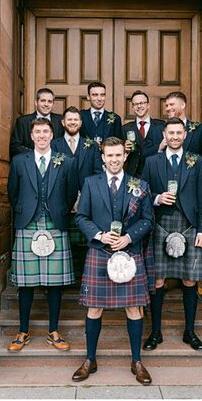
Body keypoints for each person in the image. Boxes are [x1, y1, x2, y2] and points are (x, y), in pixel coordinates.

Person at [73, 137, 154, 385]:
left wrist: (129, 238)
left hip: (129, 252)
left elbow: (148, 220)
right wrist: (100, 235)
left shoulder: (139, 185)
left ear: (125, 156)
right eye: (110, 155)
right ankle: (90, 359)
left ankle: (137, 361)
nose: (114, 159)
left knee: (133, 307)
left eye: (118, 155)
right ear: (103, 157)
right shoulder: (90, 183)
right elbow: (81, 216)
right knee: (94, 308)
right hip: (100, 251)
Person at [6, 117, 78, 352]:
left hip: (55, 223)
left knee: (54, 283)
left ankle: (53, 331)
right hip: (27, 223)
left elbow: (70, 194)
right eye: (37, 132)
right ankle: (23, 331)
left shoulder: (66, 161)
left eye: (46, 131)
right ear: (31, 136)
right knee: (25, 284)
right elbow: (13, 193)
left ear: (52, 135)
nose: (41, 136)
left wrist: (59, 211)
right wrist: (26, 211)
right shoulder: (19, 161)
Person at [142, 118, 202, 352]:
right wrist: (156, 198)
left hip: (190, 225)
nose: (174, 136)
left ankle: (190, 332)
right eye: (170, 132)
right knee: (158, 280)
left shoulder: (197, 162)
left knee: (190, 279)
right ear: (164, 134)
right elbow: (142, 193)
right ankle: (155, 332)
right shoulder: (152, 162)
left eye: (178, 133)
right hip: (160, 224)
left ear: (184, 135)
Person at [162, 90, 202, 299]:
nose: (168, 108)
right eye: (166, 106)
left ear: (183, 105)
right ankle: (166, 278)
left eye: (172, 104)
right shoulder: (162, 130)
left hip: (193, 194)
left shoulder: (200, 130)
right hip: (168, 199)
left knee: (193, 246)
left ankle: (197, 280)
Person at [51, 107, 103, 280]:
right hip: (60, 201)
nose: (73, 122)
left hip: (87, 201)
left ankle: (84, 278)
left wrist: (84, 197)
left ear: (80, 123)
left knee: (85, 240)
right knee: (63, 241)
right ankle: (65, 278)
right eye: (69, 119)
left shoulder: (91, 145)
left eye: (76, 120)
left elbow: (97, 173)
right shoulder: (54, 145)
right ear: (63, 122)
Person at [121, 90, 166, 177]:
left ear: (148, 105)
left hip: (157, 173)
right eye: (135, 104)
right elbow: (121, 157)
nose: (139, 106)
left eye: (142, 103)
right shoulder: (125, 128)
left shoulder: (161, 126)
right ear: (132, 107)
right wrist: (125, 150)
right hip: (133, 175)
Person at [10, 88, 65, 157]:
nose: (46, 104)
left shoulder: (61, 121)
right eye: (43, 101)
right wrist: (37, 154)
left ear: (53, 104)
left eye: (49, 101)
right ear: (36, 102)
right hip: (30, 164)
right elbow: (15, 147)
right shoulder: (22, 121)